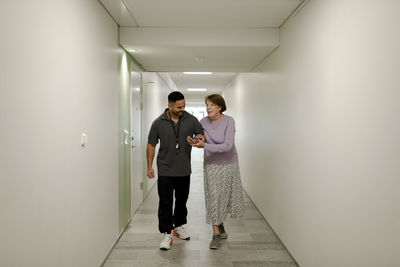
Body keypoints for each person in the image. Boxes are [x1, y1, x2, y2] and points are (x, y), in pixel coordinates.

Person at [147, 91, 204, 251]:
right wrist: (149, 166)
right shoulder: (158, 122)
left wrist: (198, 139)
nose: (182, 109)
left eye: (184, 105)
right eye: (179, 106)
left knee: (182, 201)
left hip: (184, 169)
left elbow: (200, 133)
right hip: (165, 170)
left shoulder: (190, 119)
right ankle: (166, 233)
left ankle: (178, 226)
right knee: (165, 203)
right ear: (169, 105)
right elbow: (151, 145)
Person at [188, 94, 246, 249]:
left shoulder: (229, 121)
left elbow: (227, 146)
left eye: (212, 105)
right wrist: (197, 140)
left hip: (228, 164)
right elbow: (202, 135)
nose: (208, 108)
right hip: (211, 164)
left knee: (224, 196)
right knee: (213, 196)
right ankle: (215, 234)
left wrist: (204, 146)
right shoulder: (203, 121)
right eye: (207, 105)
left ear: (220, 107)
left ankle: (220, 224)